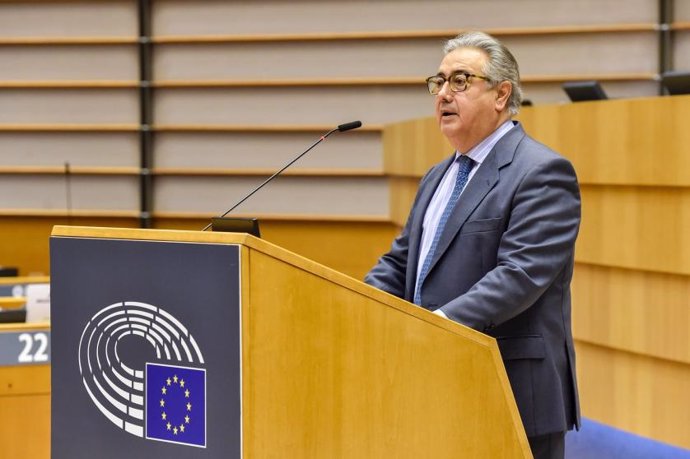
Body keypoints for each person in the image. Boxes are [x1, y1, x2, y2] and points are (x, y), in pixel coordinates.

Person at [365, 31, 581, 459]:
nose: (443, 93)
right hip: (436, 382)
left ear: (501, 95)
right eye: (439, 82)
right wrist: (358, 306)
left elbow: (518, 276)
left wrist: (435, 327)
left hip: (510, 389)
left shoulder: (542, 172)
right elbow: (401, 262)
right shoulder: (437, 175)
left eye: (460, 81)